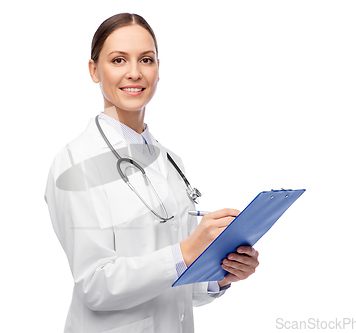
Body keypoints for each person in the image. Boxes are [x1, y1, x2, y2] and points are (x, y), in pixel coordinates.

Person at [44, 13, 259, 333]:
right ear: (94, 70)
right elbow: (95, 286)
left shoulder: (170, 161)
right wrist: (188, 250)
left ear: (158, 69)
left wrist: (220, 275)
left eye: (146, 59)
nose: (134, 72)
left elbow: (175, 279)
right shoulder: (75, 164)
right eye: (118, 60)